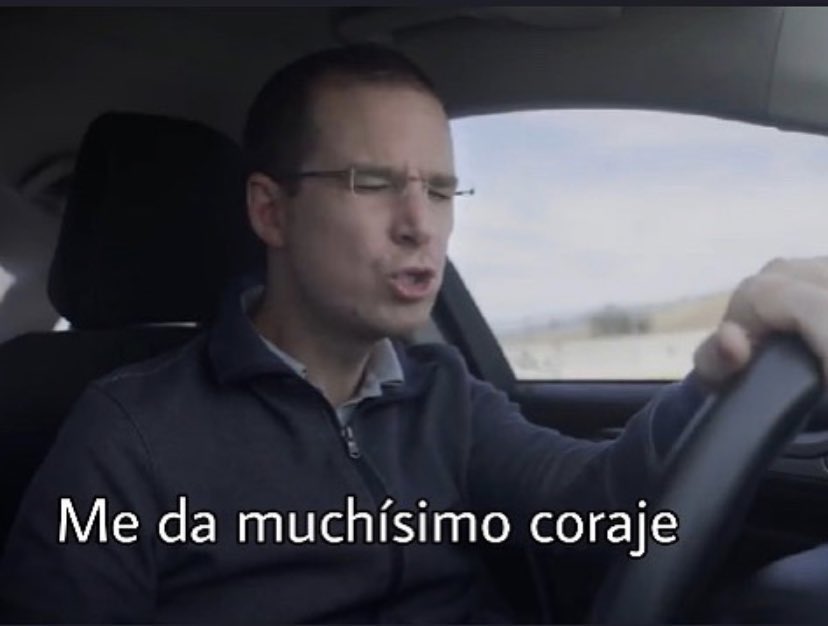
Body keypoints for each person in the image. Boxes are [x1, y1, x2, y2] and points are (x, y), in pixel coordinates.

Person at [1, 43, 828, 623]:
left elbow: (593, 511)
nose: (419, 225)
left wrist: (717, 379)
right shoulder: (130, 434)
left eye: (438, 190)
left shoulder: (444, 396)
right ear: (270, 211)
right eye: (372, 182)